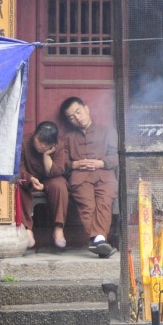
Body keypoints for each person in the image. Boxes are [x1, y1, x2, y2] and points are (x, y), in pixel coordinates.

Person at [59, 96, 118, 258]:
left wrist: (100, 163)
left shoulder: (107, 132)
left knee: (104, 203)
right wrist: (75, 164)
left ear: (86, 109)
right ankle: (100, 241)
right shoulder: (68, 138)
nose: (77, 118)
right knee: (88, 206)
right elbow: (62, 163)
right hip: (80, 178)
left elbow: (116, 156)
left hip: (105, 175)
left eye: (78, 112)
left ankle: (96, 241)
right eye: (72, 117)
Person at [17, 120, 68, 250]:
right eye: (39, 141)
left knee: (60, 184)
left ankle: (58, 228)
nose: (41, 146)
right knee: (18, 185)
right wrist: (30, 179)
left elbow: (58, 171)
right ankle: (27, 229)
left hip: (49, 179)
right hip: (29, 178)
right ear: (34, 135)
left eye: (46, 144)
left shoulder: (59, 146)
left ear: (53, 144)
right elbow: (19, 168)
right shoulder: (24, 142)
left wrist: (46, 156)